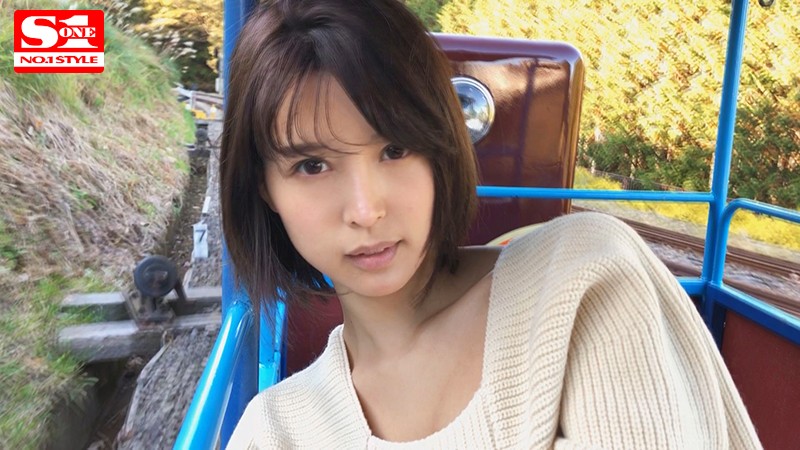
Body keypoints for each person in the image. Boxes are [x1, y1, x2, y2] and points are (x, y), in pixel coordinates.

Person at [221, 0, 761, 448]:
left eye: (396, 148)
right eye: (312, 166)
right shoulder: (272, 431)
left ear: (439, 147)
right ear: (264, 187)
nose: (365, 210)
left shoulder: (583, 285)